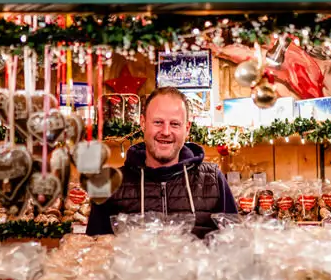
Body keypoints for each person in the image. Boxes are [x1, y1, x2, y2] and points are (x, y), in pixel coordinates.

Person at [86, 86, 238, 239]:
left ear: (187, 128)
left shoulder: (213, 180)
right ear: (143, 123)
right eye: (158, 122)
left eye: (175, 124)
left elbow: (234, 245)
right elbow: (96, 253)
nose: (166, 132)